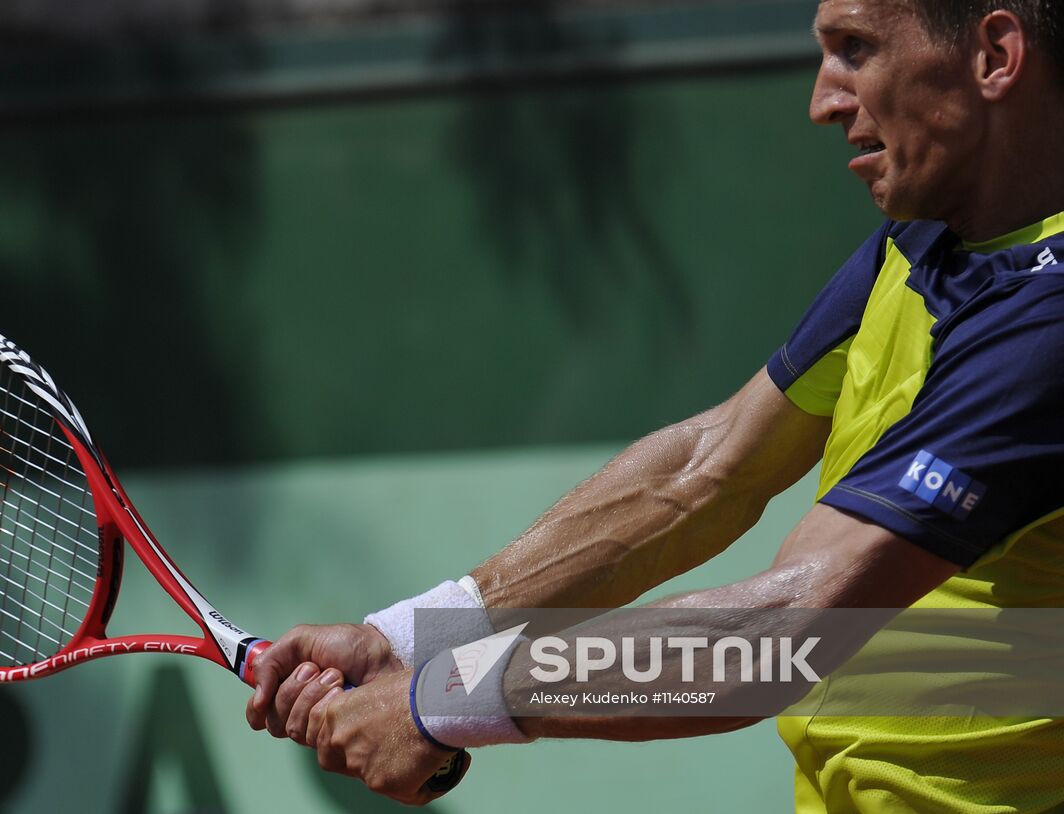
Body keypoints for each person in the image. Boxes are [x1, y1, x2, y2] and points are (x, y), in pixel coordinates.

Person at [247, 0, 1064, 808]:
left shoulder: (1048, 322)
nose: (824, 100)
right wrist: (413, 640)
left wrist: (441, 700)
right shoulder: (925, 241)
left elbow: (781, 632)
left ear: (994, 54)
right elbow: (708, 472)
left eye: (856, 48)